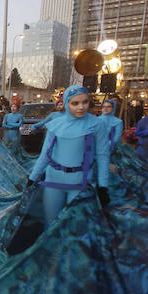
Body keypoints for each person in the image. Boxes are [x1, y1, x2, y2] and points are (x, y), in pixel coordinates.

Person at [28, 85, 110, 226]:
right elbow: (45, 155)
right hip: (53, 181)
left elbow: (103, 156)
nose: (81, 107)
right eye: (75, 103)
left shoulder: (97, 124)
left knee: (76, 228)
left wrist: (103, 186)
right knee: (51, 226)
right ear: (66, 103)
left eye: (85, 102)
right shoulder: (55, 124)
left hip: (80, 183)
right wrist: (32, 178)